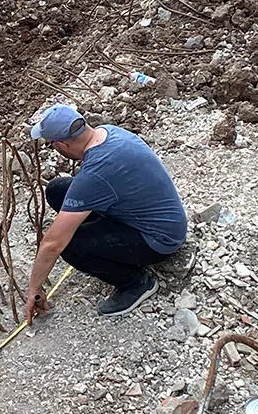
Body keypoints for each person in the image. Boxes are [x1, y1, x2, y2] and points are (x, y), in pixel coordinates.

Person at [22, 104, 188, 319]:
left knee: (71, 246)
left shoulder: (95, 174)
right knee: (57, 190)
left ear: (62, 144)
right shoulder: (109, 132)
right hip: (155, 216)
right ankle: (102, 247)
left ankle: (136, 283)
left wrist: (33, 289)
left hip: (159, 239)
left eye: (51, 144)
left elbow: (53, 244)